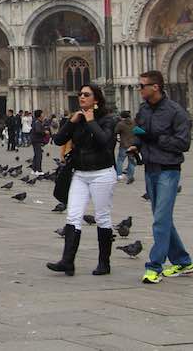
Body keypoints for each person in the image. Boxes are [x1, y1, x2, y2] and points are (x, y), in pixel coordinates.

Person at [129, 70, 193, 284]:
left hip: (169, 169)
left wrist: (157, 139)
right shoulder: (144, 109)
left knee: (160, 219)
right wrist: (135, 145)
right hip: (150, 168)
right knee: (163, 218)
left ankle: (154, 266)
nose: (139, 89)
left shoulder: (176, 112)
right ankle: (183, 261)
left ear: (155, 87)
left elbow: (183, 144)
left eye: (142, 85)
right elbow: (140, 133)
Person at [47, 84, 117, 277]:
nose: (81, 97)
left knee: (102, 217)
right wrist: (71, 122)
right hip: (79, 173)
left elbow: (105, 141)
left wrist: (91, 121)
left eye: (86, 95)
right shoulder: (76, 120)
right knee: (73, 215)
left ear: (96, 99)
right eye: (80, 94)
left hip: (102, 173)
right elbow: (59, 140)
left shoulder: (108, 119)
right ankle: (67, 262)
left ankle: (104, 263)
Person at [114, 110, 138, 184]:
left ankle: (119, 175)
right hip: (133, 145)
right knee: (131, 161)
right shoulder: (135, 123)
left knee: (120, 160)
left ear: (122, 116)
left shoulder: (120, 124)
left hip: (124, 144)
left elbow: (115, 131)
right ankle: (130, 176)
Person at [30, 109, 47, 174]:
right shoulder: (37, 122)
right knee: (39, 155)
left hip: (35, 140)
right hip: (37, 140)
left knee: (36, 155)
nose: (43, 115)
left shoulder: (37, 121)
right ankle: (38, 170)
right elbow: (38, 131)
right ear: (39, 115)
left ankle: (34, 169)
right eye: (42, 113)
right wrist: (45, 132)